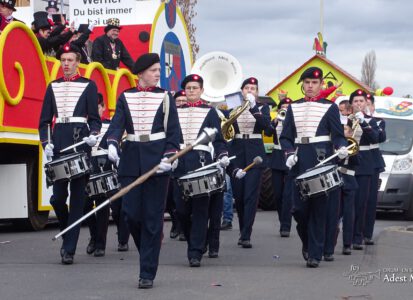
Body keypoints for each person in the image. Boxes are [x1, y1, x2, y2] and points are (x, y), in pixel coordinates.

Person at [106, 53, 180, 289]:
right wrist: (111, 142)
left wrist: (169, 156)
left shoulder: (166, 97)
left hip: (157, 161)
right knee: (130, 215)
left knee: (152, 218)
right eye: (153, 70)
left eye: (159, 70)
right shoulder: (125, 96)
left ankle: (147, 271)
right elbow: (117, 123)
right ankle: (147, 250)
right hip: (130, 160)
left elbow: (174, 134)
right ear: (140, 74)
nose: (158, 74)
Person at [38, 43, 102, 264]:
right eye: (63, 60)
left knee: (77, 198)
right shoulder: (52, 86)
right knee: (57, 198)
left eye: (70, 60)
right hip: (58, 143)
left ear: (77, 62)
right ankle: (68, 233)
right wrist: (46, 142)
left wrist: (93, 134)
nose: (66, 64)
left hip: (80, 142)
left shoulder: (89, 85)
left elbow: (94, 119)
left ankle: (69, 248)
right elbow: (44, 121)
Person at [280, 66, 348, 268]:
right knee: (298, 210)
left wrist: (342, 147)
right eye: (307, 83)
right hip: (299, 159)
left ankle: (315, 254)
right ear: (303, 85)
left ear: (320, 85)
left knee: (319, 209)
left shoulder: (330, 107)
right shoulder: (293, 107)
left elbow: (337, 135)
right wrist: (289, 153)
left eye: (314, 83)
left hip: (322, 159)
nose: (310, 86)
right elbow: (285, 137)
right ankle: (308, 242)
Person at [173, 74, 228, 266]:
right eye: (188, 88)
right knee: (180, 210)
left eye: (195, 88)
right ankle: (196, 240)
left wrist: (221, 155)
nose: (191, 91)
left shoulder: (210, 112)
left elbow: (219, 140)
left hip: (201, 161)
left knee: (200, 209)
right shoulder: (174, 110)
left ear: (202, 90)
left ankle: (195, 252)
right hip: (178, 162)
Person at [226, 77, 272, 248]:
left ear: (257, 92)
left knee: (250, 195)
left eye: (253, 88)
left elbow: (267, 127)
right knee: (239, 195)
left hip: (255, 152)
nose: (250, 91)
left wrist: (253, 108)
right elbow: (226, 127)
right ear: (242, 90)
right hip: (236, 150)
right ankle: (242, 229)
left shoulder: (262, 107)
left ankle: (246, 234)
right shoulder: (233, 105)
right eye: (247, 88)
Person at [349, 90, 379, 250]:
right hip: (347, 163)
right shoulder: (346, 120)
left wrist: (364, 123)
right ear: (351, 104)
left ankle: (358, 236)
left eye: (361, 101)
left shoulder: (371, 121)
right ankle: (346, 235)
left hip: (364, 165)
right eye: (356, 101)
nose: (359, 103)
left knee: (361, 202)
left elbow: (375, 138)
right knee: (348, 203)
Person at [83, 94, 112, 257]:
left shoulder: (110, 125)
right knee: (84, 205)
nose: (95, 110)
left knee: (102, 207)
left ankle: (100, 243)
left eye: (98, 106)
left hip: (104, 169)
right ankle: (94, 236)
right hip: (87, 169)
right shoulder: (84, 127)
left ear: (103, 107)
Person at [363, 94, 386, 245]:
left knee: (370, 201)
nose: (364, 106)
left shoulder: (378, 122)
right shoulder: (352, 119)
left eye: (368, 104)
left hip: (373, 163)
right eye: (360, 102)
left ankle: (367, 234)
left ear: (373, 107)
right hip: (357, 162)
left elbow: (381, 138)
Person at [268, 97, 293, 237]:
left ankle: (286, 226)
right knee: (277, 194)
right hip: (277, 156)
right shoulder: (275, 121)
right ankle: (282, 218)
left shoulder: (294, 122)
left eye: (288, 107)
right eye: (283, 107)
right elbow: (268, 132)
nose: (286, 109)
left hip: (289, 156)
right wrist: (276, 121)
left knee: (287, 195)